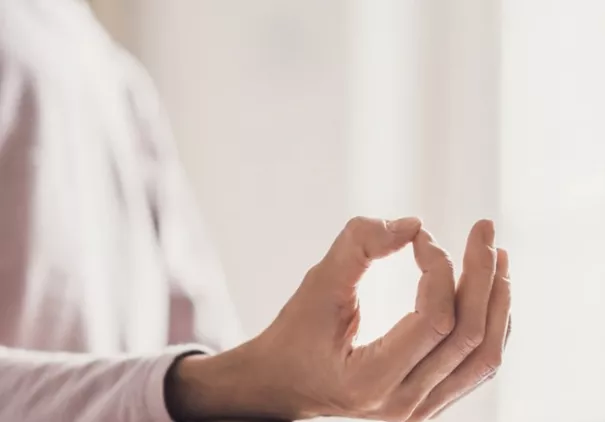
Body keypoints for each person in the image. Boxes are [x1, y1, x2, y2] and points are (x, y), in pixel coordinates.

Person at [0, 0, 512, 421]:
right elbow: (215, 379)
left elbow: (208, 356)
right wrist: (253, 382)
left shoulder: (111, 72)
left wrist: (304, 393)